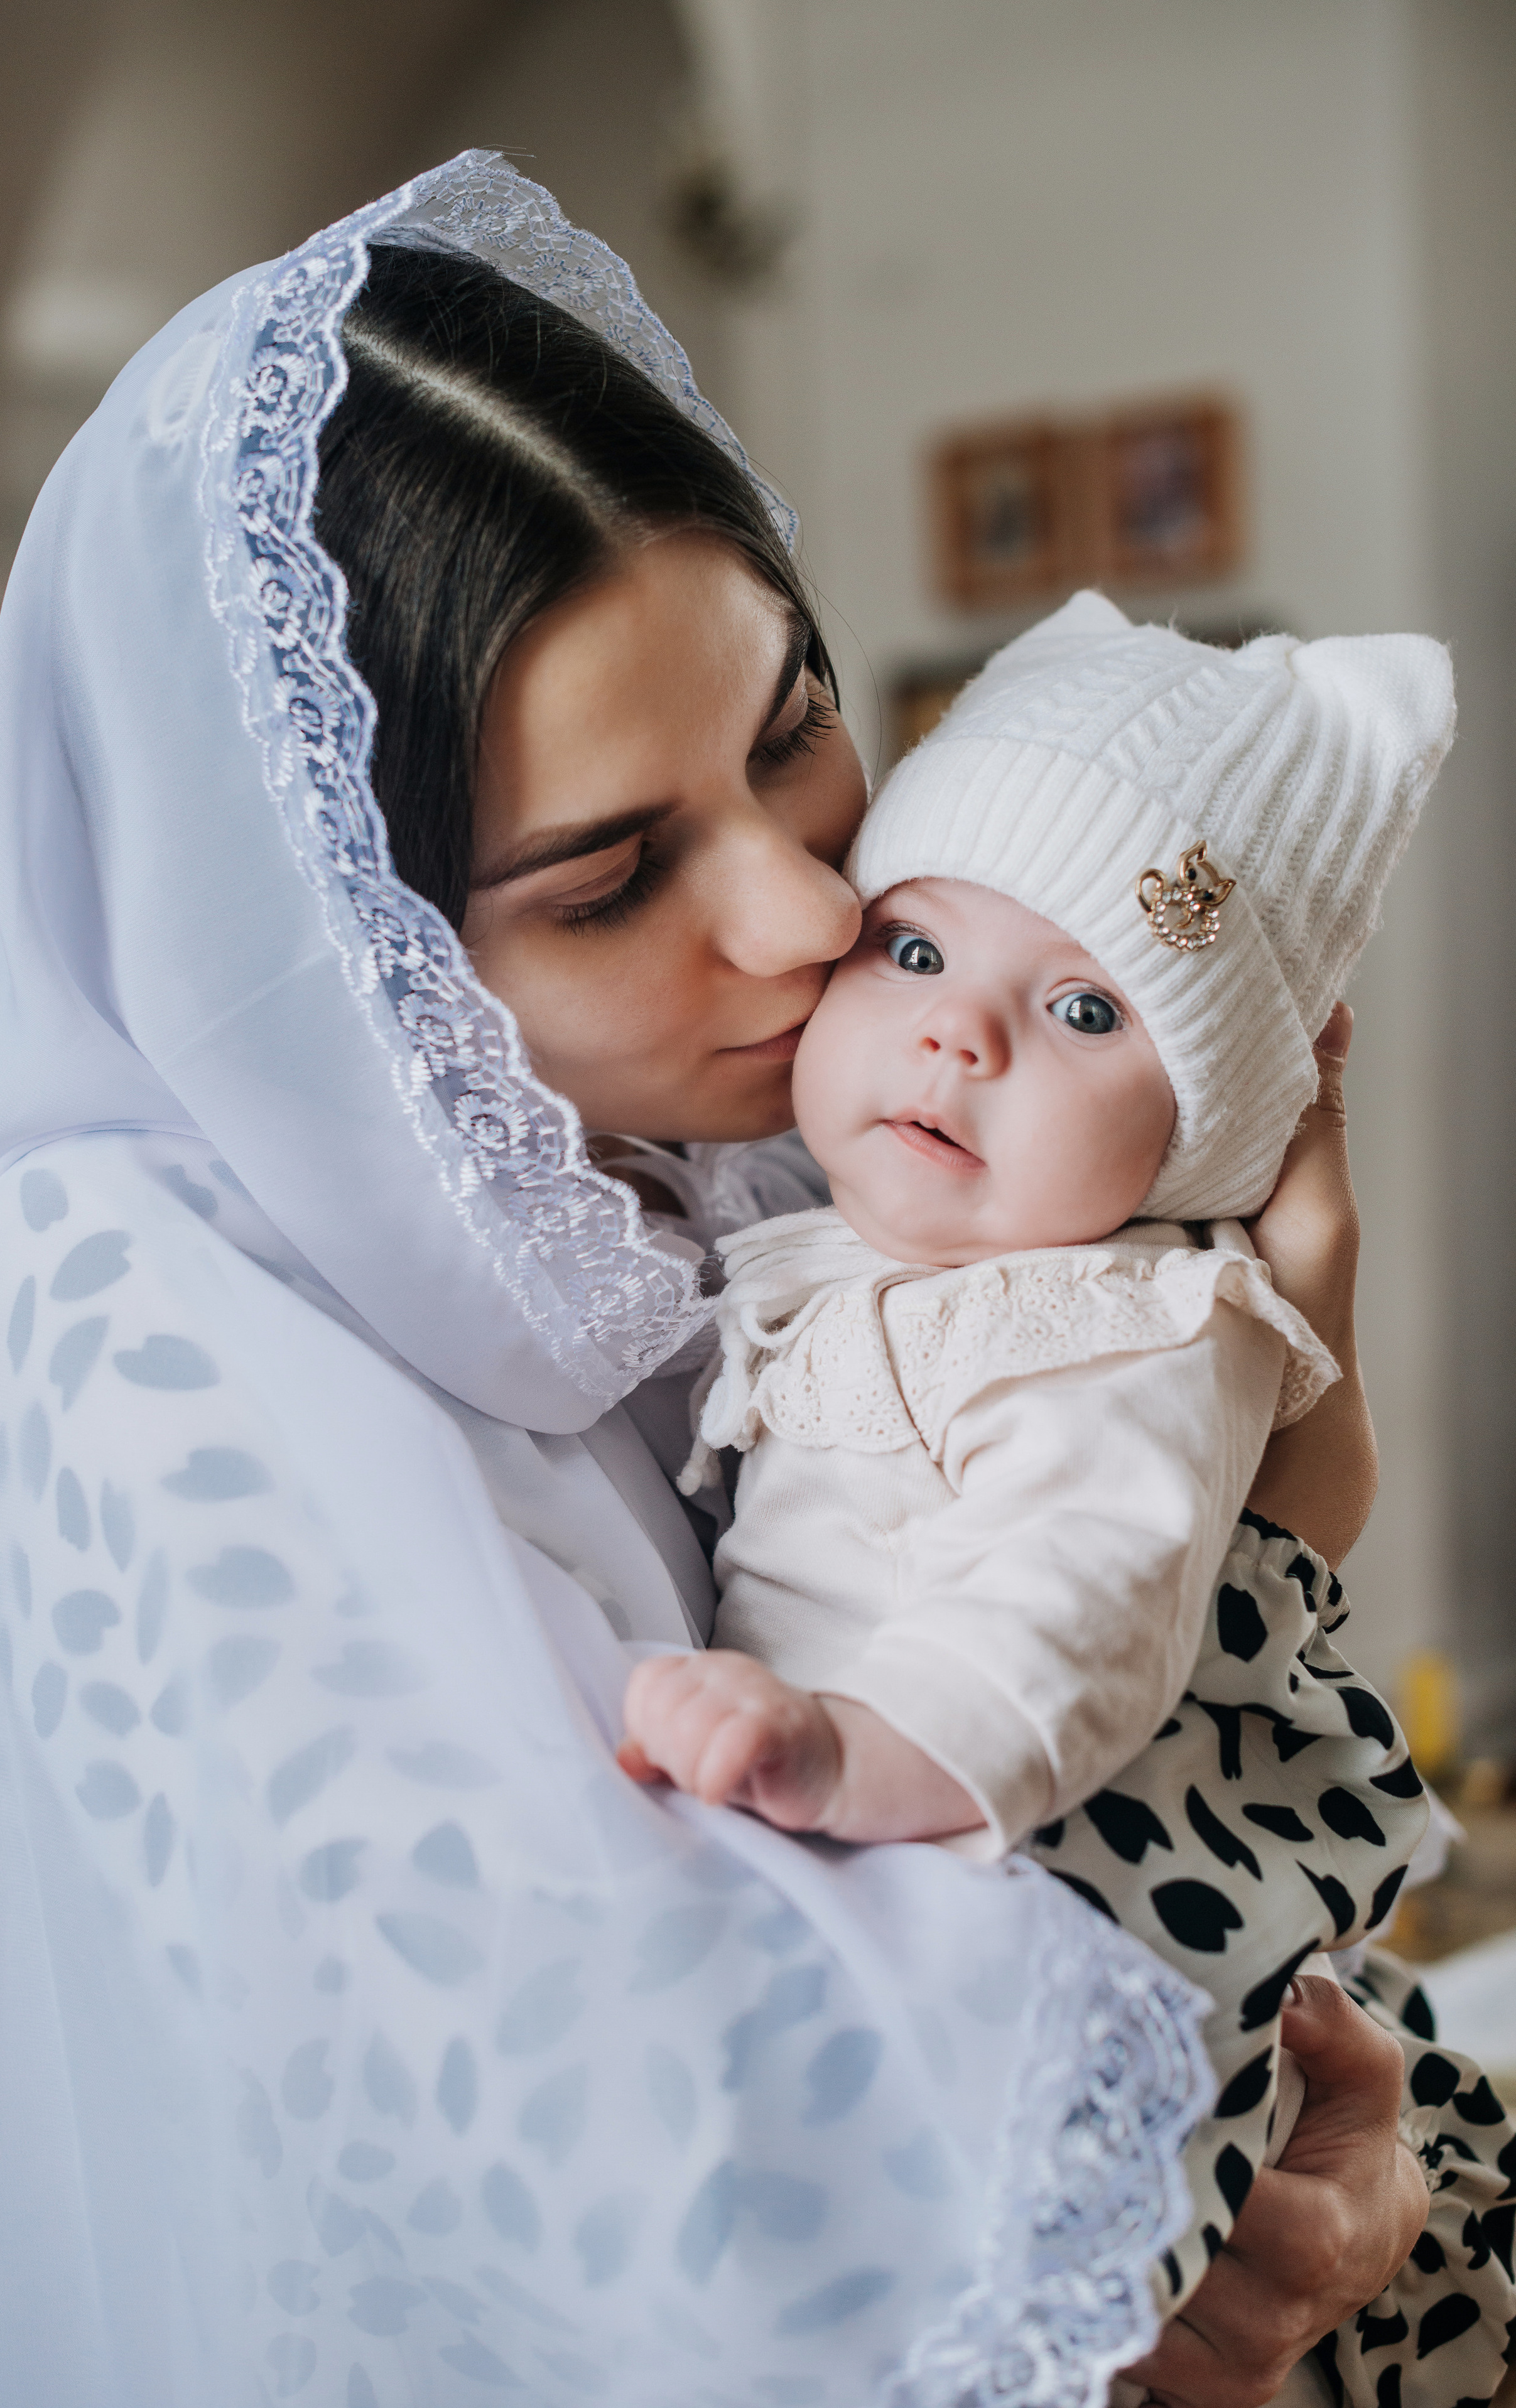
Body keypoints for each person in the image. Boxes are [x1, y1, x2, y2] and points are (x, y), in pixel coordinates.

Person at [0, 154, 1443, 2406]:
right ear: (333, 951)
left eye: (792, 721)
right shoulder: (140, 1319)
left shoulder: (700, 1153)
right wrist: (1185, 2238)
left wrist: (1272, 1384)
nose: (817, 917)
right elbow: (682, 2176)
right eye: (619, 870)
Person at [621, 593, 1516, 2403]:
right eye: (914, 950)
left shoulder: (1126, 1323)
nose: (959, 1042)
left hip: (1036, 1863)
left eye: (1086, 1007)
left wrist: (840, 1749)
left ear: (1205, 1143)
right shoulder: (822, 1235)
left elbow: (1088, 1603)